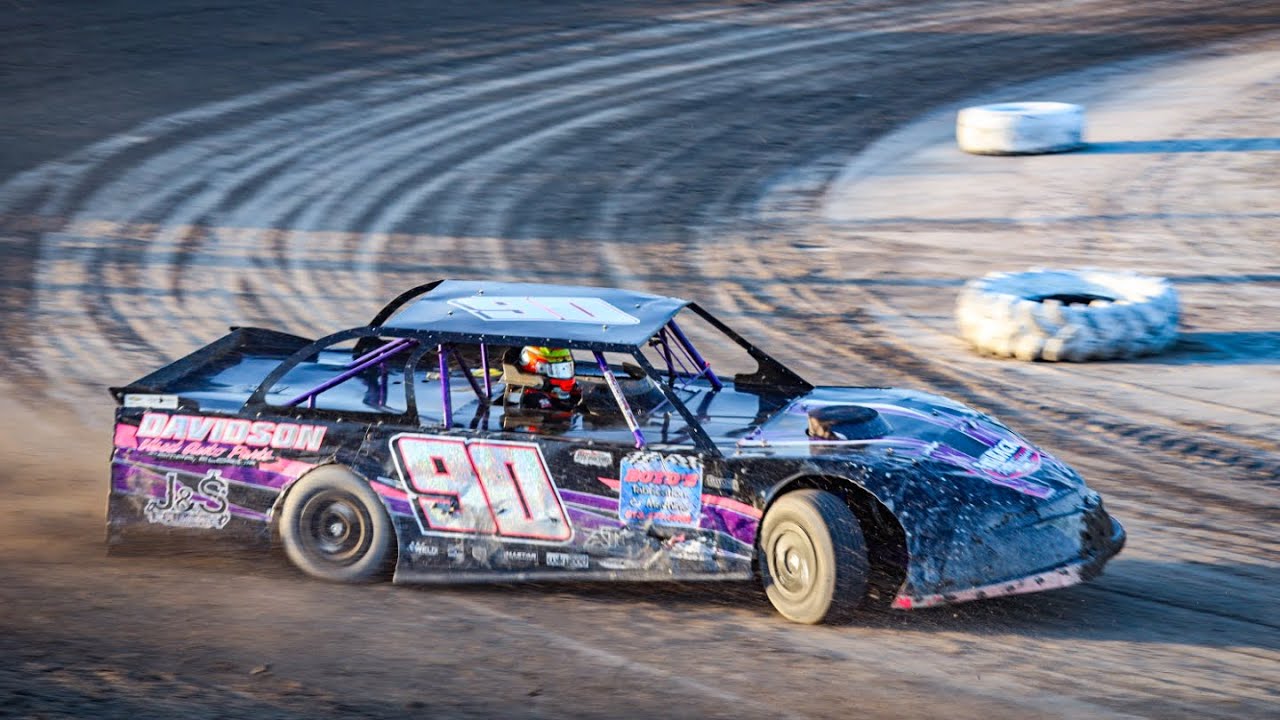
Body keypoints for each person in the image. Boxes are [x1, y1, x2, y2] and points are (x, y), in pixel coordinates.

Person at [511, 346, 582, 412]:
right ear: (540, 369)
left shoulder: (574, 393)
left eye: (566, 368)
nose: (565, 375)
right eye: (558, 370)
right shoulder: (531, 399)